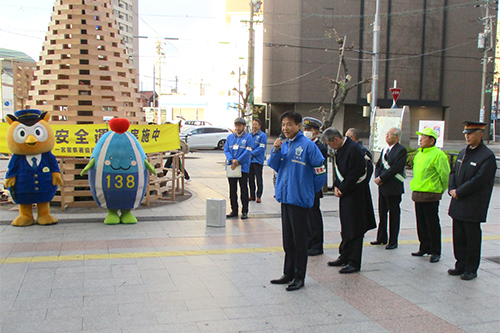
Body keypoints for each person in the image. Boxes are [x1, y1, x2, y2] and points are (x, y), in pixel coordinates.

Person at [268, 111, 326, 291]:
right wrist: (276, 149)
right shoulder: (284, 144)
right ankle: (288, 273)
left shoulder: (308, 146)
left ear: (299, 126)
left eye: (289, 124)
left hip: (300, 201)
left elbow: (320, 171)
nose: (285, 128)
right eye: (283, 124)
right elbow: (274, 164)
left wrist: (308, 191)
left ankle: (299, 277)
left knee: (300, 242)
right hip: (286, 198)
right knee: (288, 240)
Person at [448, 121, 497, 280]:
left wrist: (459, 191)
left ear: (480, 134)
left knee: (472, 237)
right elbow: (453, 172)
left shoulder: (486, 156)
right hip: (458, 201)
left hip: (473, 204)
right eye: (466, 134)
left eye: (470, 133)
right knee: (458, 236)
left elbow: (479, 180)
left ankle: (471, 268)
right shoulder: (463, 152)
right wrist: (452, 188)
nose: (467, 136)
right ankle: (460, 264)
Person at [322, 128, 376, 274]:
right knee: (346, 226)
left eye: (330, 143)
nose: (330, 147)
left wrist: (343, 188)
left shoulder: (354, 149)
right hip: (346, 194)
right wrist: (337, 187)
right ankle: (344, 255)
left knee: (355, 228)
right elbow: (339, 171)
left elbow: (355, 173)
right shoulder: (341, 149)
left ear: (337, 139)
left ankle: (354, 261)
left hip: (356, 195)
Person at [410, 127, 450, 263]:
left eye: (424, 137)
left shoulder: (438, 155)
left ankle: (435, 251)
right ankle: (424, 246)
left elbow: (445, 175)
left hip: (431, 194)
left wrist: (440, 190)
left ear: (432, 140)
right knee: (420, 222)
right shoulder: (419, 154)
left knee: (432, 223)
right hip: (418, 193)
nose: (420, 139)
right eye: (420, 136)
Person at [371, 127, 407, 249]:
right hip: (383, 187)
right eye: (386, 134)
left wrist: (382, 178)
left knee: (393, 214)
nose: (387, 136)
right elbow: (379, 165)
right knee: (382, 213)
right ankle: (381, 237)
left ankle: (393, 240)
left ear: (397, 137)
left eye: (389, 134)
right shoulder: (385, 150)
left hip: (393, 187)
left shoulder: (401, 150)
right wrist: (377, 177)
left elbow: (395, 168)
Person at [302, 117, 328, 256]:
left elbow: (319, 170)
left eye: (309, 130)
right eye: (305, 129)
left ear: (316, 132)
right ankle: (309, 242)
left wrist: (315, 187)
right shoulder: (304, 144)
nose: (306, 132)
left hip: (313, 187)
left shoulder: (320, 147)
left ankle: (317, 245)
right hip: (304, 187)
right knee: (307, 218)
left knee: (314, 217)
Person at [224, 117, 253, 219]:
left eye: (240, 125)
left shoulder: (248, 138)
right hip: (232, 167)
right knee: (232, 190)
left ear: (244, 126)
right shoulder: (230, 138)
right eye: (236, 125)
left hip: (243, 168)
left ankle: (244, 211)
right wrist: (231, 160)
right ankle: (234, 210)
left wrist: (238, 161)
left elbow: (248, 151)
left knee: (244, 189)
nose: (238, 127)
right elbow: (226, 150)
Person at [248, 119, 267, 203]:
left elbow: (261, 147)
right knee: (250, 179)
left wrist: (252, 153)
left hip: (257, 160)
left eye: (256, 124)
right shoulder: (249, 135)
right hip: (249, 160)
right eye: (253, 124)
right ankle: (252, 195)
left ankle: (259, 196)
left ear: (259, 126)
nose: (254, 126)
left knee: (258, 178)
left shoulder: (263, 135)